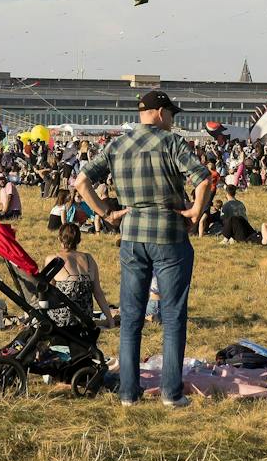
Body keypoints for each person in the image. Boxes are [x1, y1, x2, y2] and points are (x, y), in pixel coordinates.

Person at [73, 90, 212, 408]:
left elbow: (81, 181)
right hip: (169, 235)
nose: (172, 120)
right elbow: (203, 180)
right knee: (173, 316)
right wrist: (195, 212)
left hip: (132, 235)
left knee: (132, 316)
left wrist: (106, 213)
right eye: (171, 114)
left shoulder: (117, 145)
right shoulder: (171, 142)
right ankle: (171, 393)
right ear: (161, 113)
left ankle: (128, 392)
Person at [50, 223, 115, 328]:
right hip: (85, 318)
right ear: (79, 240)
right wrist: (110, 319)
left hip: (62, 319)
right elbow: (98, 293)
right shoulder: (89, 259)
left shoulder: (54, 259)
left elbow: (47, 291)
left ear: (59, 238)